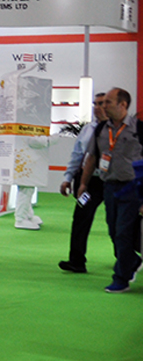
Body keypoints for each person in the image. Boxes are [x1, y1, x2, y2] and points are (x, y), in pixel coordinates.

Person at [78, 87, 142, 293]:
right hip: (109, 186)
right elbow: (92, 158)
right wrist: (83, 184)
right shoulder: (100, 130)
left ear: (123, 105)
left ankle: (121, 277)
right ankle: (132, 261)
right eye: (102, 102)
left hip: (132, 188)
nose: (103, 106)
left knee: (123, 232)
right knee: (114, 231)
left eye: (108, 102)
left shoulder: (138, 129)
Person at [58, 92, 108, 273]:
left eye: (102, 103)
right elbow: (77, 155)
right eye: (95, 103)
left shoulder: (120, 130)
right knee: (81, 216)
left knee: (117, 220)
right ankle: (77, 260)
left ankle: (125, 259)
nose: (97, 107)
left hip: (112, 182)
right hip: (89, 183)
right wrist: (68, 178)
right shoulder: (88, 129)